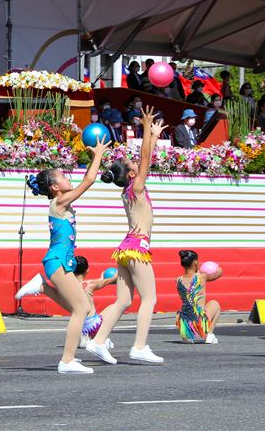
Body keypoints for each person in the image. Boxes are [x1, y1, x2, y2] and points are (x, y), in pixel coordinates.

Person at [15, 136, 111, 374]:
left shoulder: (61, 202)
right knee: (80, 309)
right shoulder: (60, 201)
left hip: (59, 262)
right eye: (64, 177)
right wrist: (98, 154)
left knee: (78, 307)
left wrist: (93, 159)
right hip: (56, 262)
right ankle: (67, 360)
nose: (69, 178)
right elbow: (88, 180)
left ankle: (42, 287)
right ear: (56, 187)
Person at [88, 107, 168, 364]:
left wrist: (153, 137)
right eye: (134, 165)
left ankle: (98, 340)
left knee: (123, 300)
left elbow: (145, 158)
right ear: (133, 175)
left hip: (126, 248)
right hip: (137, 248)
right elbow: (145, 157)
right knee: (150, 298)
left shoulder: (129, 190)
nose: (137, 162)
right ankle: (139, 346)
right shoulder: (137, 186)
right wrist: (146, 129)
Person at [175, 250, 222, 344]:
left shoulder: (178, 280)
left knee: (187, 308)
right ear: (196, 262)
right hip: (199, 321)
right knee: (215, 304)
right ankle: (209, 334)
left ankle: (187, 335)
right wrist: (216, 266)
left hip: (184, 322)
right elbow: (219, 273)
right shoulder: (201, 277)